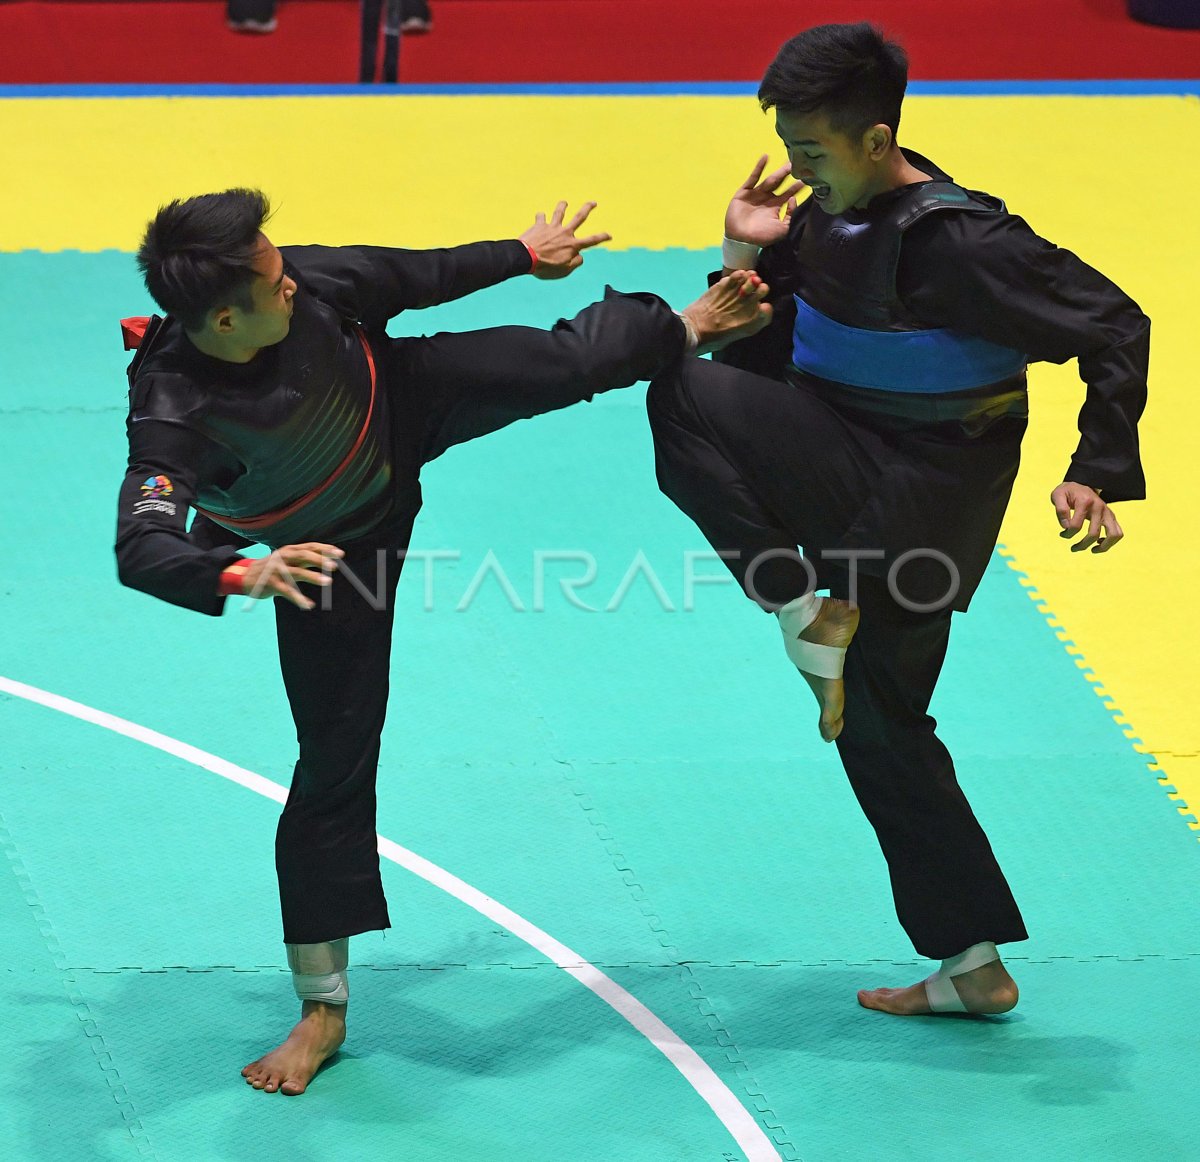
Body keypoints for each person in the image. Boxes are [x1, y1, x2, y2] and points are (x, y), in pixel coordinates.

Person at [115, 188, 770, 1095]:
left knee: (569, 356)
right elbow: (142, 545)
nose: (294, 284)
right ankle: (322, 1010)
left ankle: (687, 324)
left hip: (405, 402)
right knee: (334, 763)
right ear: (225, 318)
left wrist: (520, 254)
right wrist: (241, 573)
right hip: (327, 549)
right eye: (274, 283)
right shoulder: (172, 408)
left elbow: (410, 275)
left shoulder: (304, 277)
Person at [645, 22, 1147, 1017]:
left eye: (814, 153)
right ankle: (973, 967)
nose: (798, 172)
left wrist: (1094, 467)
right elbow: (773, 344)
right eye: (788, 149)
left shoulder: (966, 241)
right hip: (848, 463)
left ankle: (800, 612)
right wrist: (741, 254)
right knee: (880, 729)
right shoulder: (828, 215)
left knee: (674, 390)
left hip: (914, 500)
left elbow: (1116, 323)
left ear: (879, 140)